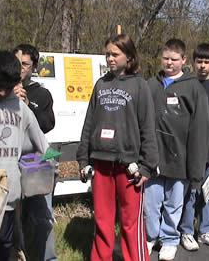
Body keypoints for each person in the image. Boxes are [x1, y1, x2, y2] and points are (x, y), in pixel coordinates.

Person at [77, 34, 159, 261]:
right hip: (100, 162)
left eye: (115, 54)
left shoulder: (140, 86)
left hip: (129, 166)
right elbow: (89, 124)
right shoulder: (100, 84)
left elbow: (148, 129)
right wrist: (83, 159)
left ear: (129, 57)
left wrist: (147, 166)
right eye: (107, 54)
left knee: (130, 222)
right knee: (102, 221)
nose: (110, 58)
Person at [144, 39, 209, 261]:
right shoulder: (150, 85)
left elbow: (200, 130)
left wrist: (196, 167)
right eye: (165, 58)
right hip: (153, 158)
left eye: (174, 59)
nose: (169, 63)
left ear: (183, 60)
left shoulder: (194, 89)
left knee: (174, 203)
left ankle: (170, 239)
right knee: (151, 202)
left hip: (180, 158)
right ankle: (151, 236)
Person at [0, 50, 49, 261]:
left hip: (8, 198)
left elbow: (43, 147)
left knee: (3, 247)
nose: (2, 93)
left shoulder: (21, 109)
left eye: (7, 87)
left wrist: (50, 165)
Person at [179, 43, 209, 251]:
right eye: (199, 61)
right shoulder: (187, 84)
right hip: (190, 151)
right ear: (193, 62)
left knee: (207, 193)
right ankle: (187, 231)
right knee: (190, 193)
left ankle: (206, 229)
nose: (202, 65)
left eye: (207, 62)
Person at [12, 44, 56, 261]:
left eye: (25, 64)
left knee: (42, 219)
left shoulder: (42, 93)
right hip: (9, 163)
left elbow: (48, 124)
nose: (20, 68)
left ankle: (48, 258)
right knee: (10, 220)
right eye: (16, 63)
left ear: (34, 67)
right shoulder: (3, 89)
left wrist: (28, 104)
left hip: (36, 164)